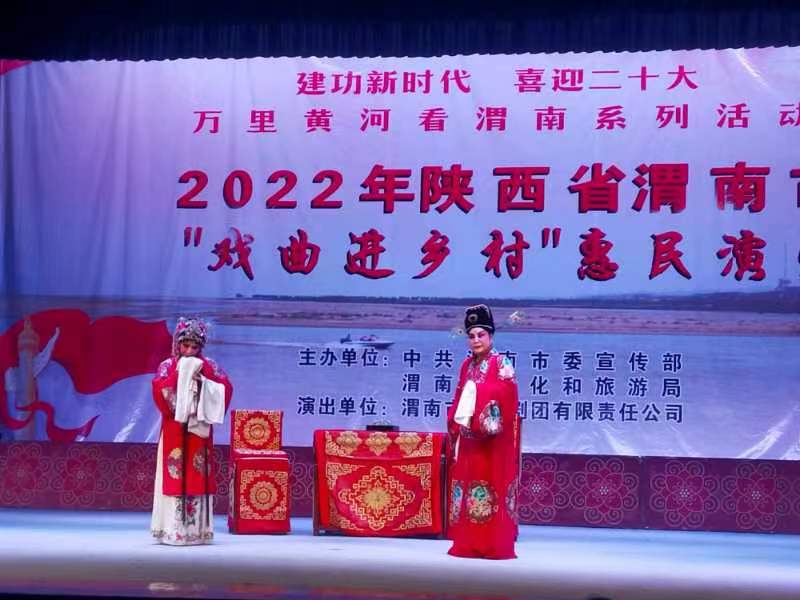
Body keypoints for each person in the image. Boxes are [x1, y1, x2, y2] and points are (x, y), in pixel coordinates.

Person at [446, 304, 520, 559]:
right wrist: (456, 422)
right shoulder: (466, 365)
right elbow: (458, 397)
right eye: (471, 336)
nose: (476, 340)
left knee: (491, 486)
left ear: (491, 336)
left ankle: (493, 544)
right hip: (470, 439)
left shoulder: (502, 363)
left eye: (481, 335)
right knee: (468, 487)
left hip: (491, 440)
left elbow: (508, 395)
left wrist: (479, 393)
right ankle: (468, 543)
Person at [150, 317, 232, 545]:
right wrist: (179, 377)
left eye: (194, 347)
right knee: (174, 470)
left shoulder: (209, 366)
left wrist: (203, 383)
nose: (189, 351)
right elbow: (158, 391)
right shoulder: (167, 366)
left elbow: (225, 389)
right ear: (177, 343)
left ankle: (198, 532)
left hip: (199, 430)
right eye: (185, 345)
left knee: (198, 472)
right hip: (174, 428)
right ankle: (170, 530)